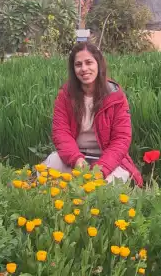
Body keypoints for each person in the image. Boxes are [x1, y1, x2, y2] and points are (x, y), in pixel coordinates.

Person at [44, 42, 143, 186]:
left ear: (99, 64)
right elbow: (61, 133)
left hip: (108, 160)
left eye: (89, 62)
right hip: (76, 158)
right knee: (46, 171)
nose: (84, 69)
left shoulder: (116, 97)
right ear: (73, 69)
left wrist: (99, 170)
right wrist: (76, 159)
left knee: (105, 188)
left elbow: (121, 139)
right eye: (78, 64)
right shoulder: (65, 95)